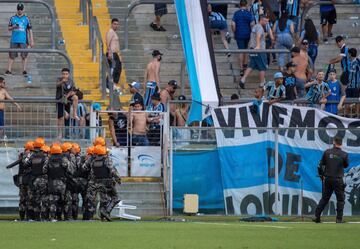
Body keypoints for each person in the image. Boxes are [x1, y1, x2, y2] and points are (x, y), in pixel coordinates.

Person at [314, 136, 349, 223]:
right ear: (341, 144)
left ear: (334, 142)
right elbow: (346, 165)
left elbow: (319, 165)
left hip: (328, 179)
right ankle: (339, 219)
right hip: (338, 179)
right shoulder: (344, 154)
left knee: (325, 198)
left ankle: (317, 217)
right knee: (340, 199)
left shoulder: (327, 152)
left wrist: (321, 175)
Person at [84, 145, 121, 221]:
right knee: (112, 198)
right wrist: (118, 179)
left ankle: (89, 218)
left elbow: (84, 168)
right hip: (105, 183)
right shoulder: (107, 159)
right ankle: (105, 213)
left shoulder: (92, 159)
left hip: (94, 182)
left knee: (90, 200)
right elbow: (112, 170)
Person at [43, 144, 73, 222]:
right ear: (60, 151)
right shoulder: (64, 159)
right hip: (62, 183)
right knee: (66, 200)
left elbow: (44, 171)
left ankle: (53, 217)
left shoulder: (48, 160)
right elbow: (71, 170)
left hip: (52, 182)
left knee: (53, 201)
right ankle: (67, 218)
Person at [239, 15, 269, 89]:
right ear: (261, 20)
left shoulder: (255, 26)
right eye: (265, 21)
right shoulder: (259, 27)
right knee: (263, 67)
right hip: (259, 50)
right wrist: (258, 46)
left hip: (252, 49)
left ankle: (242, 80)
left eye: (267, 21)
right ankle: (262, 84)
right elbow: (258, 36)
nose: (266, 23)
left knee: (251, 66)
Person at [5, 3, 34, 76]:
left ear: (23, 10)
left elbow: (30, 30)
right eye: (18, 9)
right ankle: (8, 70)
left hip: (23, 40)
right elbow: (9, 28)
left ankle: (24, 70)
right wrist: (13, 27)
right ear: (17, 9)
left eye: (21, 9)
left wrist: (31, 41)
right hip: (14, 39)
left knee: (24, 55)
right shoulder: (13, 18)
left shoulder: (26, 18)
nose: (20, 10)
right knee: (11, 55)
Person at [24, 137, 48, 221]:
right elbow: (47, 168)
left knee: (35, 199)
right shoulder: (45, 155)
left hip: (33, 180)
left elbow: (26, 164)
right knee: (43, 198)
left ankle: (35, 217)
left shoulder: (32, 155)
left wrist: (27, 155)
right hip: (43, 180)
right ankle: (44, 217)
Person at [231, 0, 255, 76]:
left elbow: (232, 24)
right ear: (246, 5)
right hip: (247, 34)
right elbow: (252, 24)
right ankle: (245, 64)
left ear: (239, 5)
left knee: (241, 50)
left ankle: (241, 68)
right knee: (246, 49)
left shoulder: (236, 13)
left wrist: (234, 32)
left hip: (239, 34)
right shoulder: (249, 14)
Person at [56, 68, 79, 138]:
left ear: (68, 74)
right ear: (61, 74)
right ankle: (60, 133)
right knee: (60, 118)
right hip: (60, 99)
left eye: (66, 74)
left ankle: (74, 114)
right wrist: (62, 81)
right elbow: (57, 85)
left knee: (75, 97)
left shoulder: (71, 81)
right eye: (63, 74)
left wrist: (68, 95)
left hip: (68, 99)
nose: (65, 75)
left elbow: (74, 90)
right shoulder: (59, 80)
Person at [106, 18, 122, 86]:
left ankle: (113, 83)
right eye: (115, 24)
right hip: (112, 53)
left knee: (118, 68)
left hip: (115, 53)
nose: (116, 26)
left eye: (117, 24)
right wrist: (109, 52)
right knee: (114, 68)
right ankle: (108, 84)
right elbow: (107, 42)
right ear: (111, 24)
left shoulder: (114, 33)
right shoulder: (111, 32)